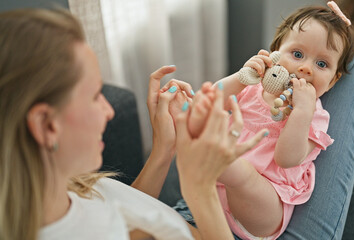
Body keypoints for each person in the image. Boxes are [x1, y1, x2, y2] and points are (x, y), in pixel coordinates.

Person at [0, 8, 267, 240]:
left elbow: (129, 210)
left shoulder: (61, 188)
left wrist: (164, 149)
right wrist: (200, 187)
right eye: (95, 96)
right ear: (47, 125)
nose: (108, 111)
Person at [186, 3, 354, 239]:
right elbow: (214, 100)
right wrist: (242, 77)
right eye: (297, 54)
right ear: (275, 53)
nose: (306, 68)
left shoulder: (315, 115)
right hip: (213, 199)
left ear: (333, 81)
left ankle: (213, 159)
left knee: (240, 171)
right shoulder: (254, 86)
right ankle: (210, 157)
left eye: (322, 64)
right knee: (204, 113)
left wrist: (301, 113)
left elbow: (286, 159)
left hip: (264, 207)